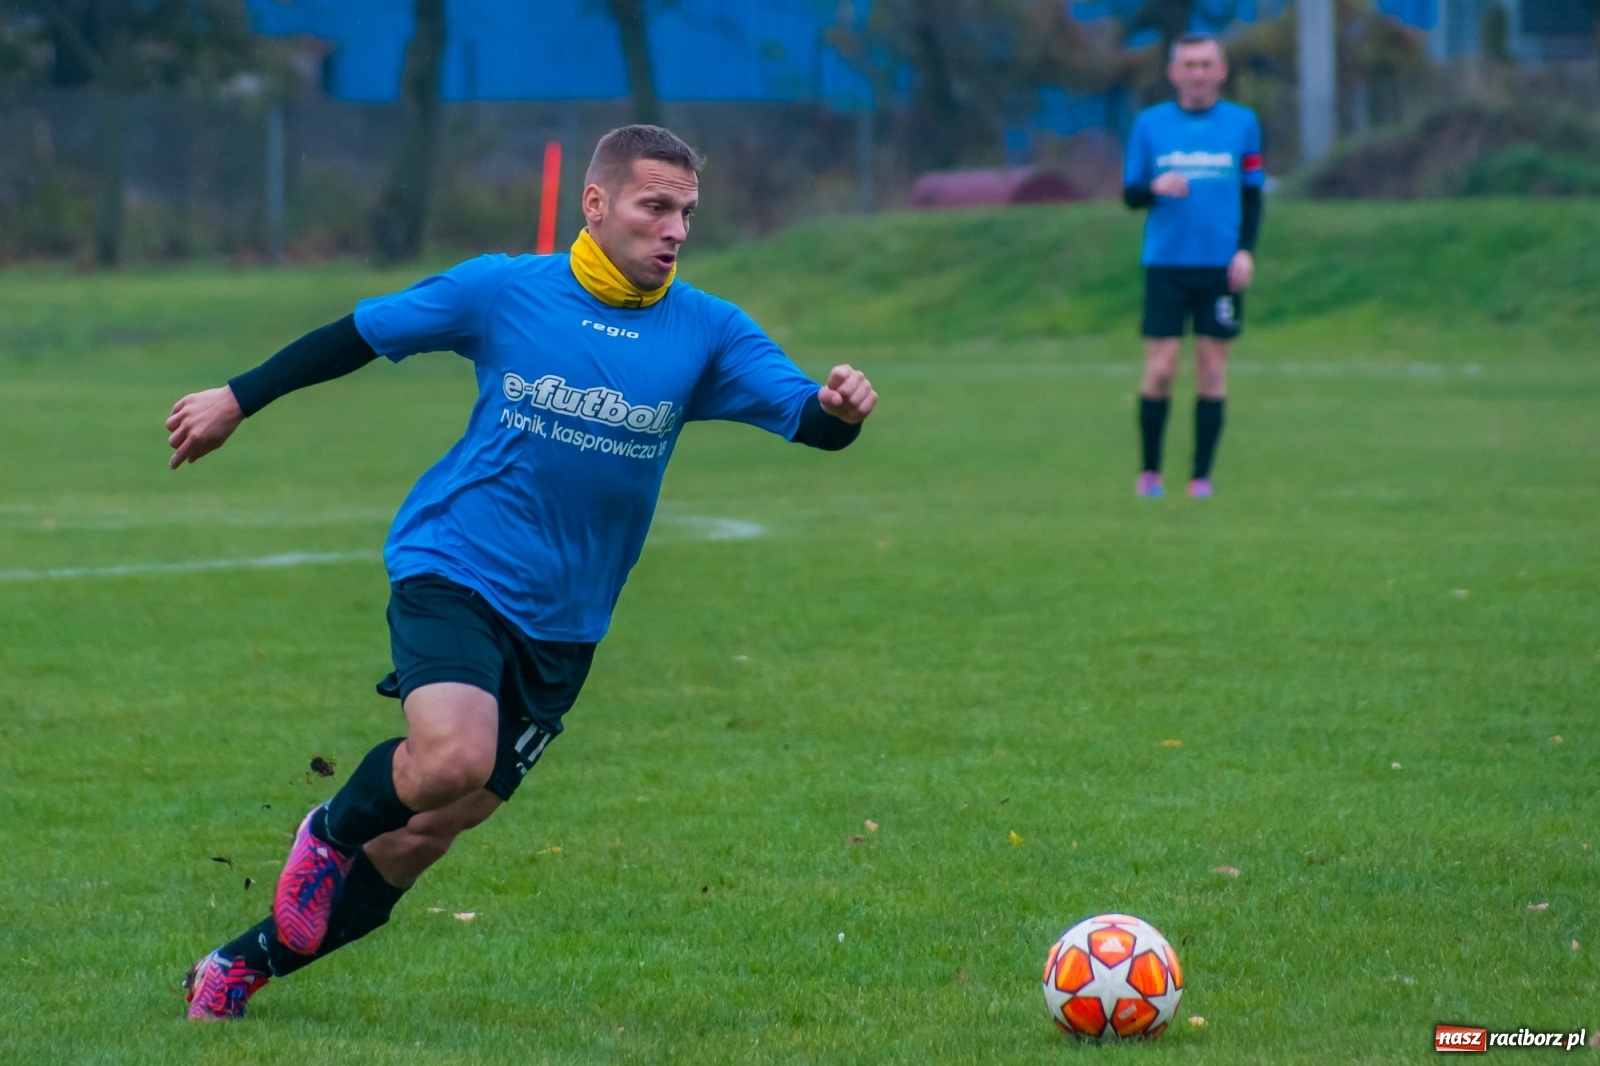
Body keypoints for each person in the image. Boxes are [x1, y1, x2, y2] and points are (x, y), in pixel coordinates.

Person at [170, 125, 878, 1020]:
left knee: (434, 829)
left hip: (567, 623)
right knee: (453, 755)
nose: (675, 230)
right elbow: (361, 332)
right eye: (654, 206)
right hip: (454, 562)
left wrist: (838, 407)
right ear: (596, 204)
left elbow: (806, 418)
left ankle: (242, 965)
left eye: (687, 213)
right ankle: (329, 832)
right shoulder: (504, 291)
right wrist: (238, 397)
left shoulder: (707, 331)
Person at [1123, 33, 1264, 499]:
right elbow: (1130, 194)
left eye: (1206, 64)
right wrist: (1155, 186)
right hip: (1166, 263)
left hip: (1219, 268)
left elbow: (1252, 193)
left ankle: (1200, 478)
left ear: (1221, 71)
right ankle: (1150, 474)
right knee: (1161, 370)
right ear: (1173, 72)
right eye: (1189, 65)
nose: (1198, 73)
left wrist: (1245, 250)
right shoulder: (1150, 125)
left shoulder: (1243, 124)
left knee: (1210, 371)